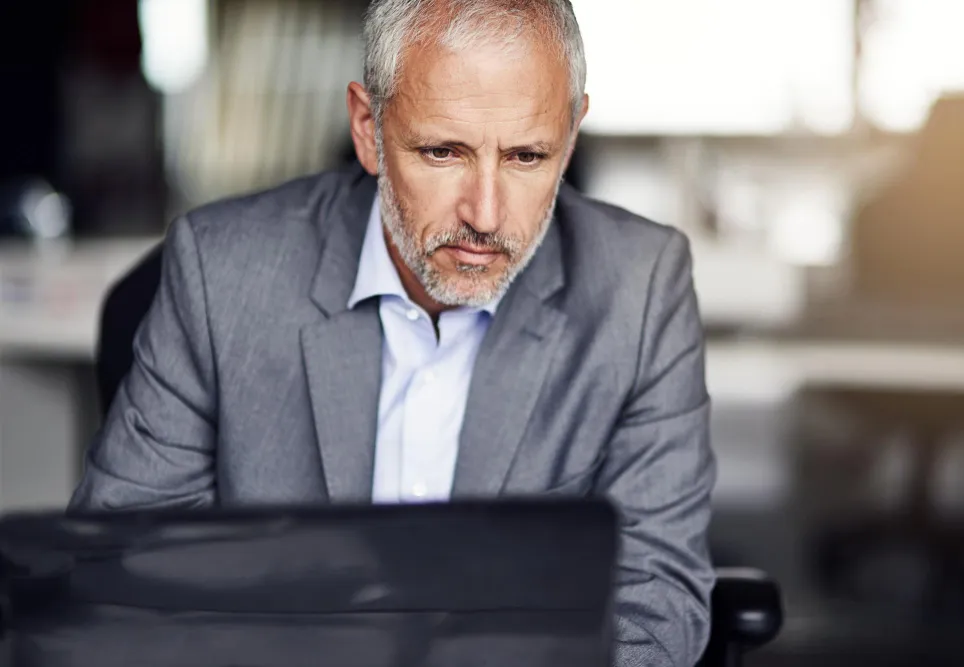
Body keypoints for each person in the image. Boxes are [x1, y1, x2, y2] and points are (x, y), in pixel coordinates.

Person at [70, 1, 716, 664]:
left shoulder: (639, 288)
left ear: (572, 133)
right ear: (368, 129)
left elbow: (654, 602)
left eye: (527, 155)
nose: (486, 214)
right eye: (443, 151)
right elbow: (122, 570)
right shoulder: (220, 273)